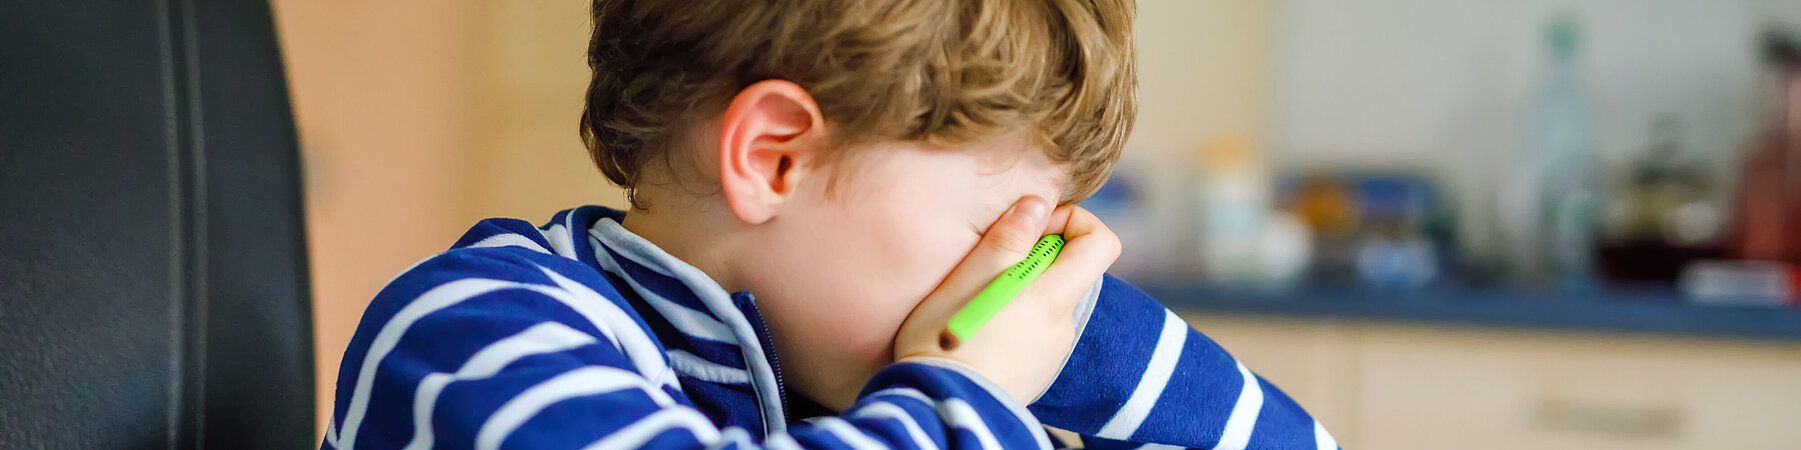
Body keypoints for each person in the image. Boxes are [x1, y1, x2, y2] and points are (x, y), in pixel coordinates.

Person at [321, 0, 1337, 448]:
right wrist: (961, 395)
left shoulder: (852, 371)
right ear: (774, 157)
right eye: (990, 228)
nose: (1001, 277)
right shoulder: (471, 333)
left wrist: (1073, 332)